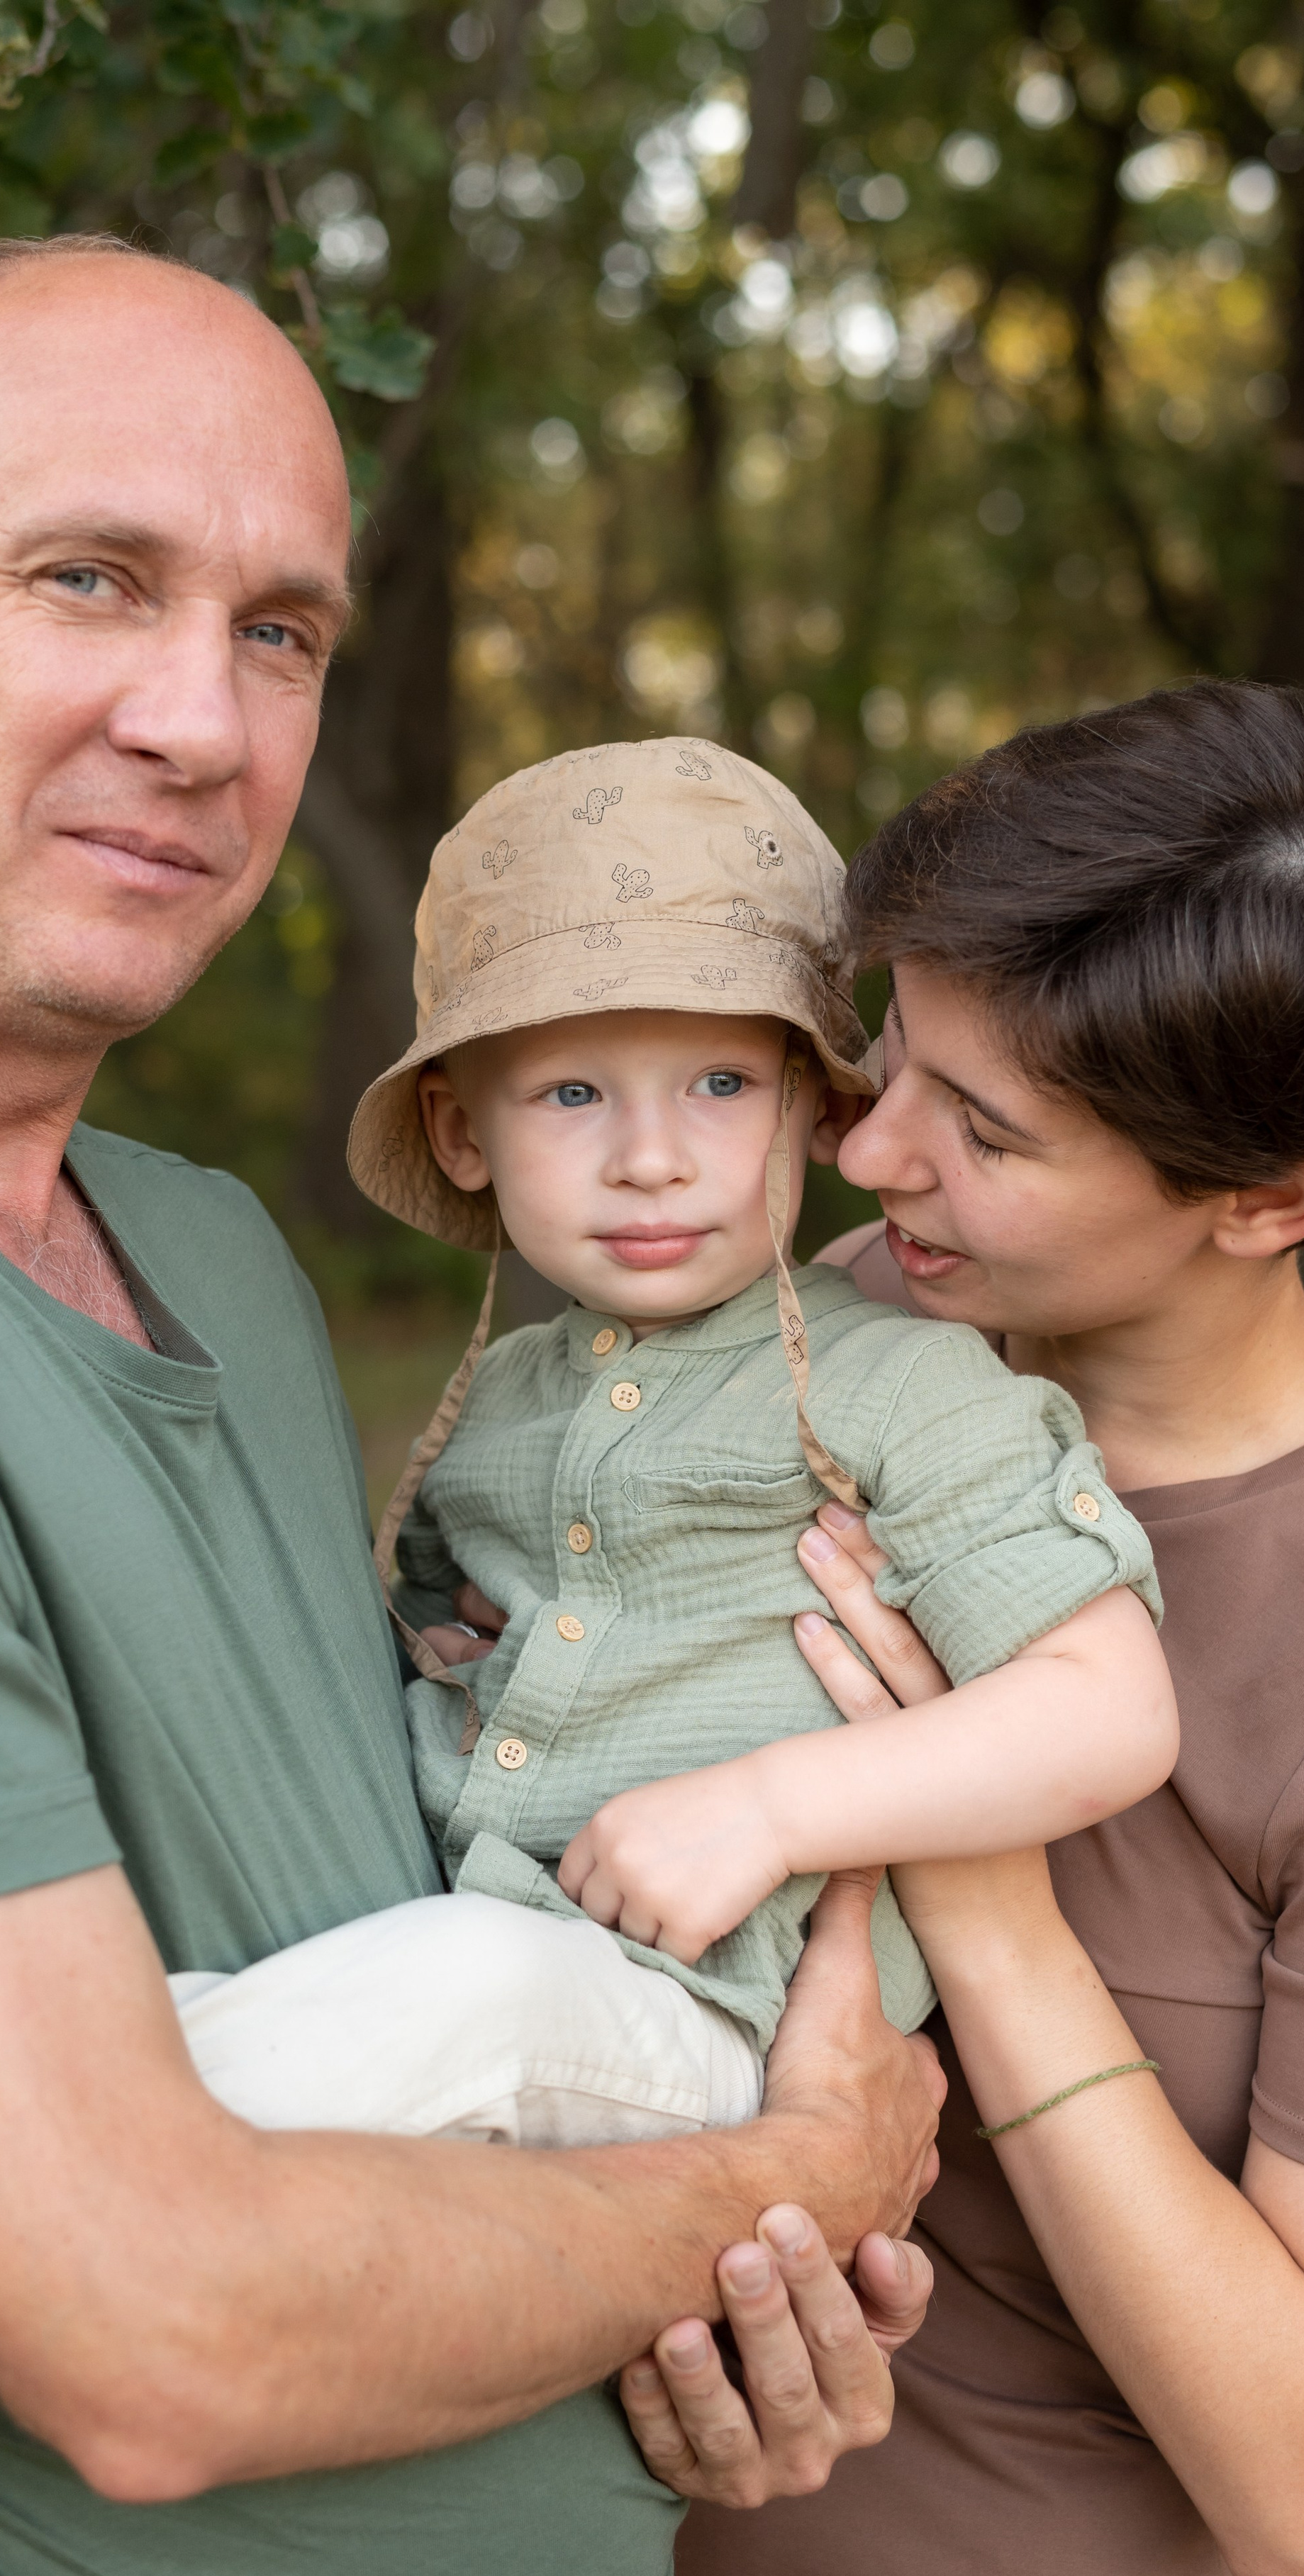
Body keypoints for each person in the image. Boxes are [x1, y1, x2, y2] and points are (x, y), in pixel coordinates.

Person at [0, 235, 943, 2576]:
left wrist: (726, 2292)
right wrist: (789, 2174)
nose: (200, 716)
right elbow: (155, 2331)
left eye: (282, 629)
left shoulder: (220, 1260)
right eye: (92, 577)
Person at [659, 681, 1304, 2576]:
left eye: (988, 1131)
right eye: (893, 1062)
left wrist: (983, 1890)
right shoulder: (788, 1340)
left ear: (1271, 1199)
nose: (871, 1153)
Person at [154, 737, 1174, 2149]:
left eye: (716, 1085)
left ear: (818, 1107)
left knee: (457, 1990)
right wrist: (440, 1646)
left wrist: (767, 1809)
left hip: (705, 2017)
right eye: (572, 1095)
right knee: (236, 1953)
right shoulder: (504, 1402)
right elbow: (457, 1610)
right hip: (459, 1955)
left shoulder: (904, 1386)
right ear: (462, 1134)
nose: (650, 1155)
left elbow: (1109, 1708)